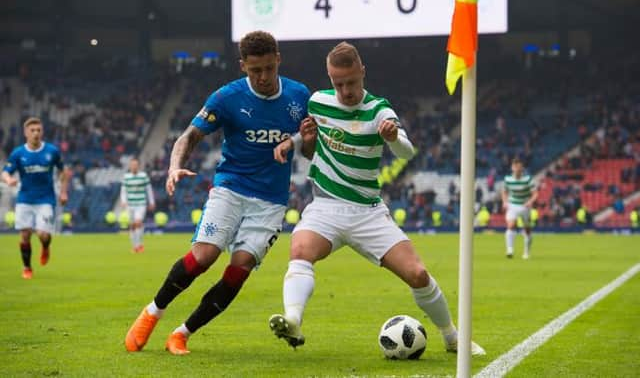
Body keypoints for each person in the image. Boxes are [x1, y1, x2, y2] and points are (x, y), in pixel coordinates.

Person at [268, 42, 485, 356]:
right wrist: (300, 141)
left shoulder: (379, 109)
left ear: (362, 73)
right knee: (300, 250)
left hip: (367, 212)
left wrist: (393, 136)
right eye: (338, 83)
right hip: (326, 207)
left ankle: (453, 338)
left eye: (351, 82)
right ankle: (293, 320)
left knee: (418, 274)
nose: (345, 90)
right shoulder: (318, 102)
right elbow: (310, 149)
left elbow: (407, 151)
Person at [124, 30, 314, 355]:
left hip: (270, 201)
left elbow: (309, 153)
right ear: (243, 66)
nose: (264, 77)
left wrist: (304, 139)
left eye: (269, 68)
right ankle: (153, 311)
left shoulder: (299, 96)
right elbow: (189, 136)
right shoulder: (228, 97)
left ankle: (182, 334)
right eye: (255, 70)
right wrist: (174, 166)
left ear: (278, 59)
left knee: (238, 269)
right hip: (231, 187)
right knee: (203, 257)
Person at [1, 117, 69, 279]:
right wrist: (9, 179)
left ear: (42, 132)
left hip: (46, 199)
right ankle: (27, 267)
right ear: (26, 133)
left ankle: (45, 247)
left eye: (38, 130)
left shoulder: (51, 151)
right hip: (24, 199)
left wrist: (64, 192)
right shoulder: (18, 153)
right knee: (25, 234)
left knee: (42, 235)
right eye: (32, 130)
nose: (36, 133)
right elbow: (5, 172)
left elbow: (62, 171)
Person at [502, 157, 538, 259]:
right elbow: (504, 192)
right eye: (515, 167)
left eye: (519, 167)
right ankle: (510, 250)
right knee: (511, 225)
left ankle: (526, 252)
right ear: (512, 168)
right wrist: (505, 202)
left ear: (522, 168)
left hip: (524, 205)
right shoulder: (507, 179)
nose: (517, 169)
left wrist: (530, 202)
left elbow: (535, 193)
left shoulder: (527, 179)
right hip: (513, 205)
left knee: (527, 229)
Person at [120, 158, 155, 252]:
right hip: (130, 204)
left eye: (135, 165)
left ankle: (140, 245)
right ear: (130, 166)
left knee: (138, 223)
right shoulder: (126, 177)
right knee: (132, 226)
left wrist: (151, 202)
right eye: (132, 165)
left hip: (141, 204)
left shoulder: (143, 176)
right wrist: (123, 201)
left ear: (138, 166)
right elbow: (123, 191)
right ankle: (135, 246)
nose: (134, 166)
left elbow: (149, 190)